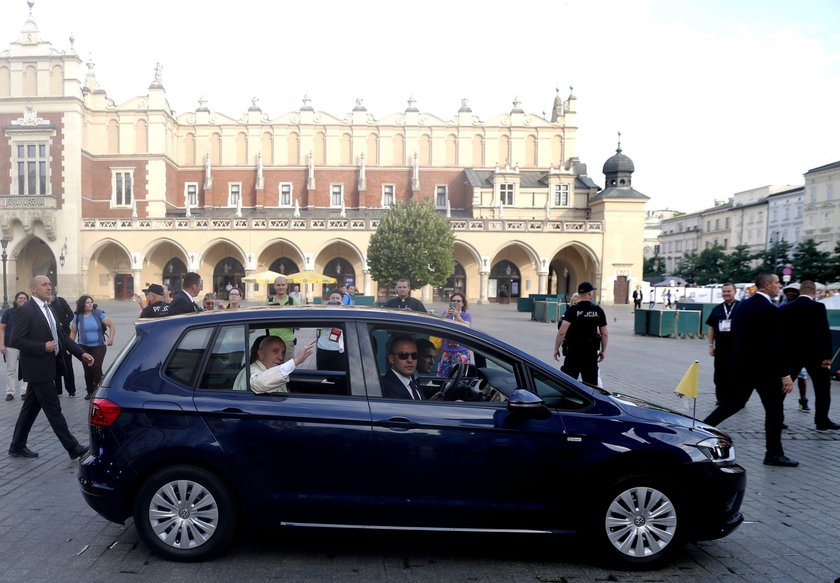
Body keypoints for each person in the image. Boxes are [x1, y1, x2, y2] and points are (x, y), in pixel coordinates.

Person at [702, 273, 797, 467]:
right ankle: (774, 453)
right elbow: (776, 345)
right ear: (767, 286)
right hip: (765, 370)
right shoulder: (770, 309)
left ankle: (700, 429)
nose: (780, 286)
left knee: (732, 404)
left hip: (742, 366)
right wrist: (785, 374)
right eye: (777, 283)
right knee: (774, 410)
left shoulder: (744, 305)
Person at [8, 275, 93, 460]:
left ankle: (17, 446)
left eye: (50, 284)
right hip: (37, 369)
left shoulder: (50, 309)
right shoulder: (26, 311)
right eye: (44, 284)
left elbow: (61, 337)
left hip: (50, 366)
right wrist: (42, 347)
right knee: (54, 410)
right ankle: (73, 448)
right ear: (34, 289)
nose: (49, 287)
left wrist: (80, 353)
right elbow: (15, 340)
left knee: (29, 409)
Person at [780, 280, 839, 431]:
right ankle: (821, 421)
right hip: (816, 356)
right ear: (813, 291)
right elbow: (825, 332)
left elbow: (781, 334)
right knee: (822, 389)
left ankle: (777, 419)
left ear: (800, 291)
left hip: (791, 355)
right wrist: (827, 356)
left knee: (782, 388)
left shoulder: (786, 308)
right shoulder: (818, 307)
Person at [553, 281, 608, 386]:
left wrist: (556, 348)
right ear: (590, 294)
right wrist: (603, 351)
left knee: (568, 382)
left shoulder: (572, 310)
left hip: (573, 351)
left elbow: (562, 332)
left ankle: (569, 401)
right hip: (590, 352)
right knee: (591, 384)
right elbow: (604, 333)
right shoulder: (597, 310)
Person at [70, 295, 115, 400]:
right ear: (82, 304)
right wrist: (69, 347)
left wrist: (111, 338)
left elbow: (112, 324)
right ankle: (90, 391)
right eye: (87, 302)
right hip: (83, 346)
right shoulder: (77, 316)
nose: (90, 304)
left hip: (98, 346)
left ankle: (99, 391)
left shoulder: (98, 313)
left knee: (96, 367)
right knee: (87, 369)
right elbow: (73, 332)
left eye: (91, 302)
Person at [706, 282, 739, 406]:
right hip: (721, 348)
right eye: (724, 291)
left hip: (737, 349)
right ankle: (721, 398)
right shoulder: (717, 309)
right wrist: (710, 345)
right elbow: (711, 329)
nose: (726, 294)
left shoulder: (742, 307)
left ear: (735, 292)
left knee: (735, 374)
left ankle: (736, 398)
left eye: (728, 291)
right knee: (720, 374)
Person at [246, 336, 314, 394]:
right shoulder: (252, 371)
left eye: (283, 352)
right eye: (275, 351)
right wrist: (296, 361)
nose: (281, 357)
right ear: (261, 354)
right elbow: (258, 384)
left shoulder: (269, 369)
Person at [1, 291, 29, 401]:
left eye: (25, 298)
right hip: (10, 345)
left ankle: (24, 392)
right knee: (11, 370)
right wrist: (1, 344)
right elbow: (2, 328)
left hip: (25, 346)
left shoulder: (29, 312)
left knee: (25, 369)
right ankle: (10, 392)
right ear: (16, 300)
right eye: (20, 298)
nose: (22, 300)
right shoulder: (8, 313)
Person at [436, 292, 472, 376]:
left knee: (460, 378)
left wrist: (457, 316)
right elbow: (439, 326)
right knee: (443, 377)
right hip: (447, 351)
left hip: (461, 352)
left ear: (463, 303)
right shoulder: (446, 314)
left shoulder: (466, 315)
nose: (456, 303)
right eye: (453, 300)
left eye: (458, 301)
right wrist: (448, 315)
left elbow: (467, 327)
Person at [48, 292, 77, 397]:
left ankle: (71, 390)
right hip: (51, 337)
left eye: (50, 294)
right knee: (55, 363)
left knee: (67, 363)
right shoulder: (44, 304)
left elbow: (70, 315)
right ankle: (58, 390)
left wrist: (61, 323)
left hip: (64, 335)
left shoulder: (60, 301)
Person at [265, 275, 299, 360]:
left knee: (287, 369)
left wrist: (288, 317)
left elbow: (298, 327)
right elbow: (262, 322)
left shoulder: (293, 302)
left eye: (283, 285)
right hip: (271, 341)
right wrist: (269, 311)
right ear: (274, 286)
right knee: (273, 369)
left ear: (287, 286)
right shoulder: (268, 302)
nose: (281, 287)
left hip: (287, 341)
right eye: (278, 285)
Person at [380, 335, 423, 399]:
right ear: (392, 359)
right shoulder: (387, 388)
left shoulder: (412, 382)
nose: (410, 360)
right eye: (403, 355)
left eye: (414, 355)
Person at [316, 291, 345, 370]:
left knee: (338, 375)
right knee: (323, 374)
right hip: (323, 347)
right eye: (332, 298)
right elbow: (318, 322)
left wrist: (342, 307)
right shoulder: (324, 311)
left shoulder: (346, 311)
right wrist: (325, 308)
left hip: (338, 349)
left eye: (337, 298)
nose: (335, 300)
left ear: (342, 300)